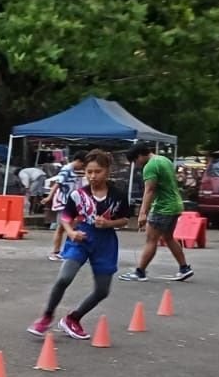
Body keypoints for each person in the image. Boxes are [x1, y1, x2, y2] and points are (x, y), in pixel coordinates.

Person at [28, 150, 128, 340]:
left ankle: (73, 319)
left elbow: (124, 219)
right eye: (89, 172)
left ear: (107, 171)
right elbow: (66, 218)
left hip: (105, 242)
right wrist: (72, 232)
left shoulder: (118, 195)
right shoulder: (77, 194)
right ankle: (46, 316)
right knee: (64, 278)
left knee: (102, 290)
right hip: (82, 238)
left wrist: (109, 224)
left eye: (97, 171)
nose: (92, 176)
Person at [120, 142, 195, 282]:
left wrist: (142, 213)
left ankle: (140, 272)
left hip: (163, 207)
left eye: (135, 160)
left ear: (140, 155)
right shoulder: (164, 160)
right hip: (175, 204)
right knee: (168, 237)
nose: (136, 165)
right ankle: (184, 268)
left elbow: (149, 190)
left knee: (151, 239)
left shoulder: (150, 166)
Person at [48, 156, 87, 260]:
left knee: (68, 227)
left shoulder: (72, 170)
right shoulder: (67, 169)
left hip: (70, 203)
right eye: (82, 165)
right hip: (64, 203)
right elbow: (58, 183)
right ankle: (55, 252)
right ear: (79, 161)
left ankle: (63, 251)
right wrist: (49, 196)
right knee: (63, 228)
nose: (82, 168)